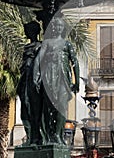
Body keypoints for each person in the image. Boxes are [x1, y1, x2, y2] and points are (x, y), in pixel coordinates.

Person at [34, 16, 80, 145]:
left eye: (60, 26)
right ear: (53, 28)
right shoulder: (47, 43)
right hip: (49, 77)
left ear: (63, 28)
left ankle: (58, 135)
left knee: (61, 107)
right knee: (48, 108)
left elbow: (75, 62)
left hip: (63, 78)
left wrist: (77, 81)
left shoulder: (67, 44)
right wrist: (36, 76)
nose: (58, 28)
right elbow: (39, 59)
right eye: (56, 26)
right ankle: (48, 135)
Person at [16, 21, 43, 145]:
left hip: (35, 81)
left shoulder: (40, 46)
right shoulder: (25, 48)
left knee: (36, 111)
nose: (26, 32)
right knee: (25, 110)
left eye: (28, 30)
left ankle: (37, 138)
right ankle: (29, 136)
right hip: (25, 80)